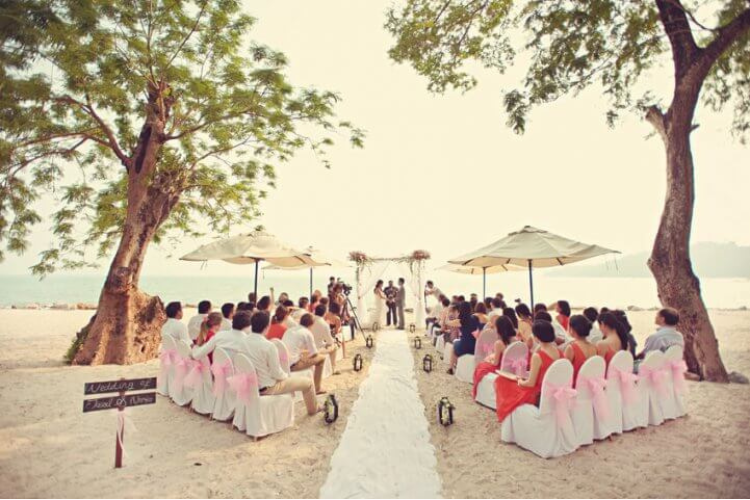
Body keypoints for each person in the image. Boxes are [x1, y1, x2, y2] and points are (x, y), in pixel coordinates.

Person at [244, 311, 321, 415]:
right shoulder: (268, 346)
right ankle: (314, 409)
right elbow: (277, 374)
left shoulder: (243, 342)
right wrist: (287, 376)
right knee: (308, 383)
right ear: (267, 327)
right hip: (267, 388)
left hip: (249, 386)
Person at [494, 320, 562, 422]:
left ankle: (507, 417)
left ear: (536, 337)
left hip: (539, 394)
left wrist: (519, 381)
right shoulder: (560, 352)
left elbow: (530, 384)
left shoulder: (538, 356)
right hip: (554, 390)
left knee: (501, 380)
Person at [472, 316, 517, 398]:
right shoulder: (515, 340)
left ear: (499, 328)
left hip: (500, 368)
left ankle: (477, 392)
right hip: (512, 367)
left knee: (480, 367)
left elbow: (495, 363)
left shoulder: (499, 343)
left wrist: (488, 360)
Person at [283, 314, 327, 394]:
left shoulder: (289, 330)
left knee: (306, 354)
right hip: (293, 365)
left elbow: (296, 349)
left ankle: (315, 384)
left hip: (284, 363)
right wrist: (321, 350)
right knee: (322, 358)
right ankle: (317, 388)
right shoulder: (307, 333)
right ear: (311, 324)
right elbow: (314, 354)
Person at [191, 311, 255, 361]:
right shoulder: (247, 342)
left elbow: (196, 355)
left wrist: (195, 347)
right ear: (248, 327)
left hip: (217, 372)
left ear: (232, 322)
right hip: (237, 373)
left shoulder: (219, 335)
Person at [564, 314, 598, 385]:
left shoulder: (571, 348)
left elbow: (565, 371)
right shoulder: (594, 347)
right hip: (588, 386)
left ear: (572, 329)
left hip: (575, 386)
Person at [446, 302, 479, 374]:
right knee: (457, 342)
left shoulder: (460, 321)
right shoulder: (475, 318)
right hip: (475, 347)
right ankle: (458, 364)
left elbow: (447, 322)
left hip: (464, 346)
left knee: (454, 344)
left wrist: (447, 312)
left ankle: (451, 368)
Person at [312, 304, 339, 374]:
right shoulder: (324, 324)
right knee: (334, 346)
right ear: (324, 312)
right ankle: (333, 369)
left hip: (307, 347)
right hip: (317, 348)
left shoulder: (310, 319)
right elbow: (330, 341)